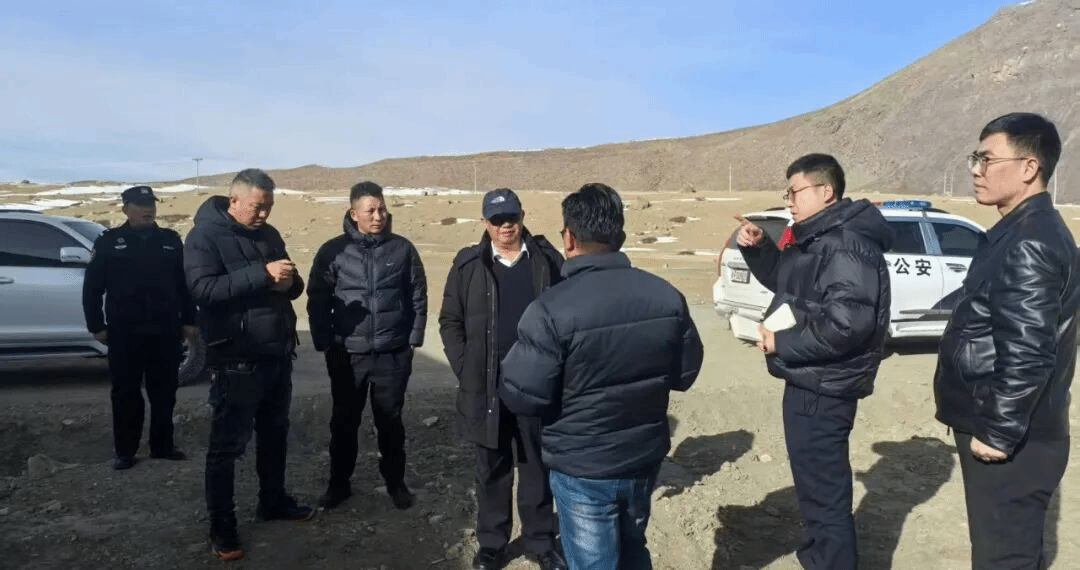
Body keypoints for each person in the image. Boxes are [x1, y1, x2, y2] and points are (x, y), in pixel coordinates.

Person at [500, 182, 703, 570]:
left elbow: (521, 394)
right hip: (643, 458)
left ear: (569, 238)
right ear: (619, 235)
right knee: (633, 549)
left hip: (583, 469)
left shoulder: (551, 310)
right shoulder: (665, 295)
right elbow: (685, 374)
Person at [934, 112, 1077, 569]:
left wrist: (998, 430)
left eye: (987, 159)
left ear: (1029, 167)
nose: (976, 170)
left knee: (1003, 559)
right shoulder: (1021, 231)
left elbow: (1029, 351)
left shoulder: (1030, 242)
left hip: (1013, 438)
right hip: (1011, 426)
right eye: (975, 159)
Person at [736, 153, 892, 570]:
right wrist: (760, 248)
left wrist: (782, 342)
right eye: (787, 192)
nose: (788, 200)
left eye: (795, 191)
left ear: (826, 192)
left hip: (825, 385)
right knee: (815, 487)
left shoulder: (845, 244)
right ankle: (820, 557)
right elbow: (789, 283)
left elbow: (848, 324)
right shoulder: (820, 238)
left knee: (824, 493)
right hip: (812, 378)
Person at [184, 169, 313, 562]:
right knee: (226, 448)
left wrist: (289, 283)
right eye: (258, 207)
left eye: (269, 207)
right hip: (236, 359)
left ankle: (272, 501)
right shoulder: (204, 236)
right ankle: (222, 527)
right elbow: (203, 289)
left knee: (275, 436)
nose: (264, 214)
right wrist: (261, 275)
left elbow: (291, 284)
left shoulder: (268, 235)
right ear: (234, 200)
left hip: (276, 354)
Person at [439, 188, 567, 570]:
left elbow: (565, 315)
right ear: (485, 223)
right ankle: (493, 544)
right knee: (492, 469)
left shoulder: (547, 260)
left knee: (536, 467)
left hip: (536, 386)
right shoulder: (469, 265)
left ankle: (540, 542)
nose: (505, 226)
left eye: (511, 217)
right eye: (496, 220)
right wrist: (466, 368)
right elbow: (450, 321)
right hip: (488, 388)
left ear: (522, 216)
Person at [308, 181, 428, 512]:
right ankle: (339, 485)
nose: (378, 216)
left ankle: (395, 483)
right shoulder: (333, 251)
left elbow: (418, 294)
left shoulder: (402, 249)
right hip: (348, 355)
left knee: (390, 421)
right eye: (370, 210)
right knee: (344, 421)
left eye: (382, 209)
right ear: (353, 214)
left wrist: (413, 339)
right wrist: (324, 342)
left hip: (392, 353)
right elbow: (318, 298)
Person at [82, 185, 196, 470]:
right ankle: (125, 451)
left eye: (151, 205)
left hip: (165, 331)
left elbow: (184, 285)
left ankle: (162, 446)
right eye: (140, 205)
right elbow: (92, 288)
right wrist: (96, 326)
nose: (148, 210)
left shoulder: (170, 241)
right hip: (125, 332)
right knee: (126, 393)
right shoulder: (109, 242)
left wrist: (189, 320)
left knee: (164, 392)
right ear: (125, 209)